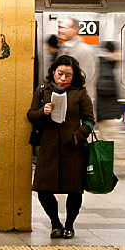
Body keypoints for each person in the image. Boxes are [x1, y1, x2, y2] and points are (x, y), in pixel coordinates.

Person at [28, 55, 94, 239]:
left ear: (74, 76)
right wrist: (43, 112)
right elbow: (31, 115)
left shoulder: (80, 93)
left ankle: (69, 225)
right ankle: (55, 223)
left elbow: (89, 120)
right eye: (60, 74)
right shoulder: (43, 91)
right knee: (43, 189)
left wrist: (78, 136)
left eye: (68, 75)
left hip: (72, 149)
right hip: (48, 148)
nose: (63, 79)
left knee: (74, 190)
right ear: (53, 72)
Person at [96, 41, 125, 158]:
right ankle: (111, 170)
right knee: (117, 145)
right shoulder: (105, 68)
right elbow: (104, 88)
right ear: (111, 53)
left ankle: (105, 169)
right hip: (108, 114)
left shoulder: (107, 66)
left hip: (106, 113)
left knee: (105, 141)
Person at [57, 17, 99, 110]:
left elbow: (86, 77)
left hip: (80, 104)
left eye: (64, 28)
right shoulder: (63, 49)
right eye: (59, 27)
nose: (60, 30)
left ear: (74, 30)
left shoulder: (85, 50)